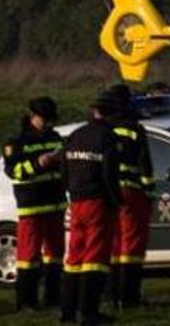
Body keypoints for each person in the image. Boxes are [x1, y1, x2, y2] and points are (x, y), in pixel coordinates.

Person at [60, 93, 126, 325]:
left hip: (76, 201)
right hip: (98, 202)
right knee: (95, 258)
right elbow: (110, 174)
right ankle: (89, 312)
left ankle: (67, 311)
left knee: (75, 256)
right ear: (111, 114)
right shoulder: (108, 137)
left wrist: (71, 192)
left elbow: (64, 170)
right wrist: (116, 200)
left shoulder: (75, 135)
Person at [3, 97, 67, 312]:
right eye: (45, 120)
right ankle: (26, 301)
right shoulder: (17, 142)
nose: (48, 124)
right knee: (28, 257)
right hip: (32, 205)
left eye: (50, 120)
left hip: (56, 203)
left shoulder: (55, 137)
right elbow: (14, 172)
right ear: (34, 117)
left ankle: (53, 297)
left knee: (55, 254)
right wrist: (38, 164)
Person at [106, 84, 154, 309]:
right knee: (131, 246)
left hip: (107, 193)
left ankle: (112, 294)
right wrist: (149, 193)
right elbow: (145, 167)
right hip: (130, 193)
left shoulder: (103, 128)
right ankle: (129, 297)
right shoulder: (135, 129)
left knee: (112, 245)